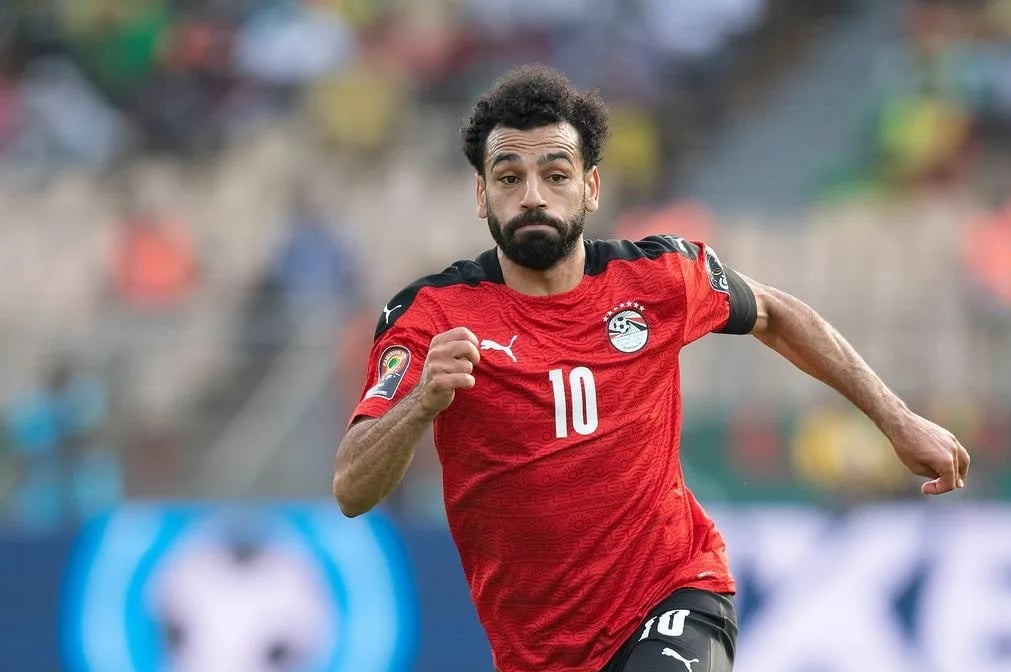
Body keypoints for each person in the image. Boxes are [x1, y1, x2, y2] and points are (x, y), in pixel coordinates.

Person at [333, 64, 970, 672]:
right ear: (482, 194)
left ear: (591, 186)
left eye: (556, 174)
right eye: (508, 178)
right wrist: (421, 402)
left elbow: (776, 313)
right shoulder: (431, 315)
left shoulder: (658, 278)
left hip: (673, 591)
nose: (532, 196)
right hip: (537, 650)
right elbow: (352, 488)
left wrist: (898, 420)